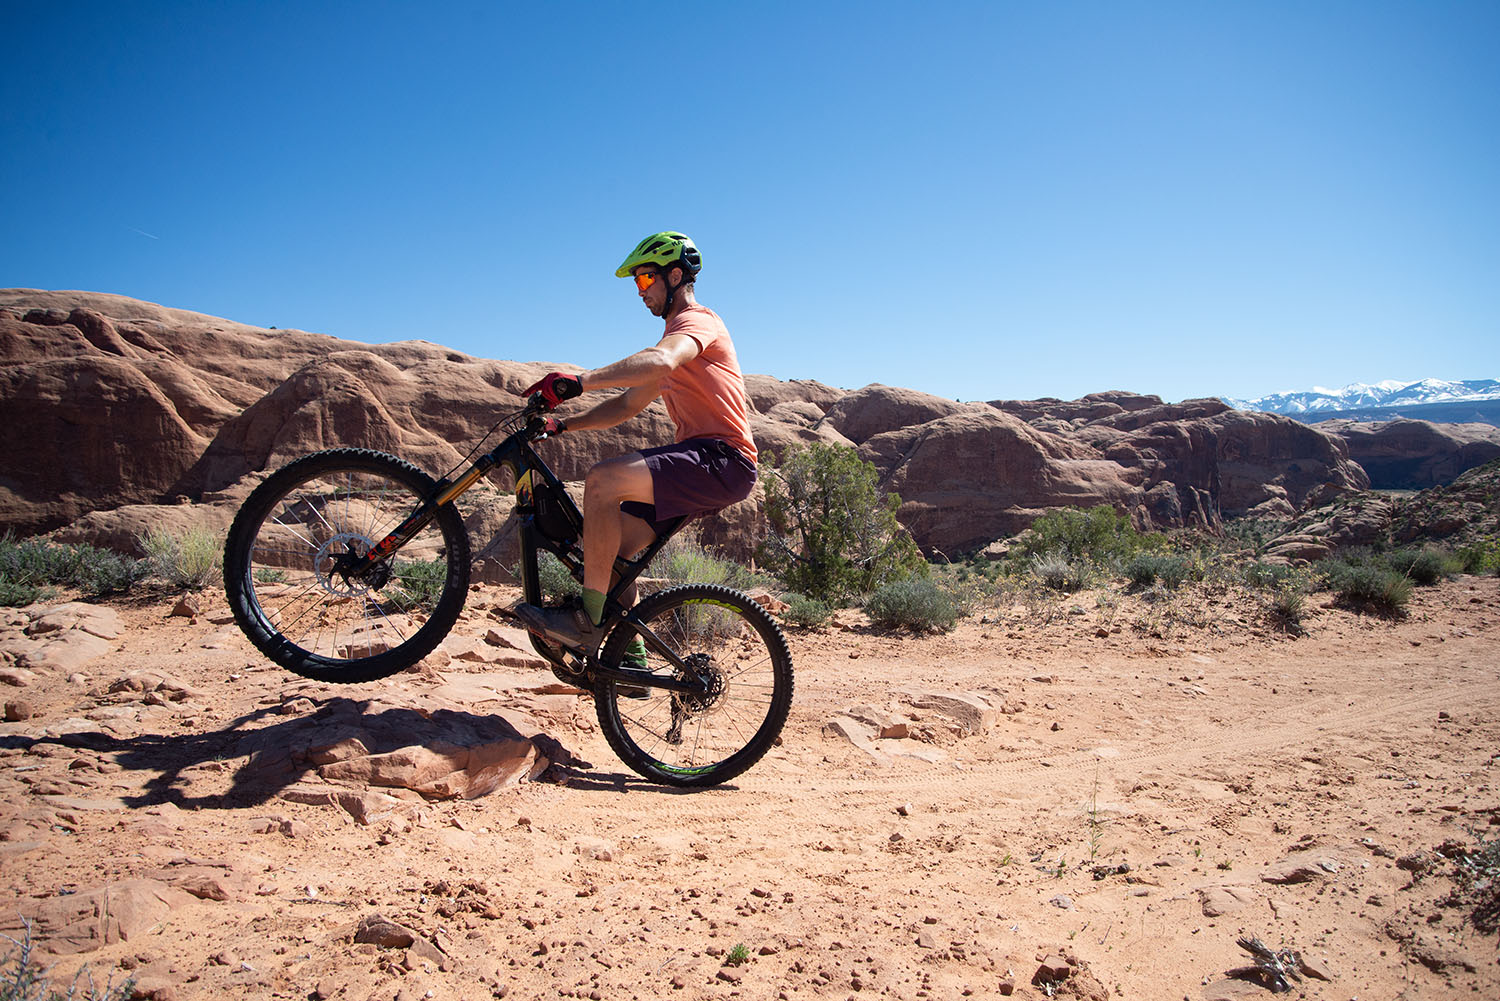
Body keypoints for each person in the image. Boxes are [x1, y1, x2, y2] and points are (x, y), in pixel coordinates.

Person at [515, 232, 758, 653]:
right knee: (607, 559)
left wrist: (579, 382)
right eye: (636, 283)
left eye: (645, 279)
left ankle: (586, 623)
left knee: (603, 480)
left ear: (675, 276)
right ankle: (632, 665)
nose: (640, 291)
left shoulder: (697, 322)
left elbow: (662, 359)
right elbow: (626, 405)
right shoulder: (673, 344)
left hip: (723, 460)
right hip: (706, 466)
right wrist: (563, 426)